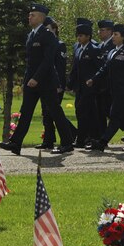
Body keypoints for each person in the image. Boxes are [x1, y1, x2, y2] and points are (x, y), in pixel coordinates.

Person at [0, 4, 75, 155]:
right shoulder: (31, 35)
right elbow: (31, 62)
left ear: (40, 17)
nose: (29, 17)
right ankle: (15, 143)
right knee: (25, 112)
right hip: (31, 82)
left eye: (32, 15)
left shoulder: (47, 35)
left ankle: (67, 143)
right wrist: (28, 79)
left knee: (55, 112)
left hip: (45, 82)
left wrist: (36, 78)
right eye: (29, 14)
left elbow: (48, 60)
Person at [86, 24, 124, 152]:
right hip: (114, 91)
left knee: (115, 116)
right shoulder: (113, 52)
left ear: (123, 37)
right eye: (113, 34)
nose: (113, 37)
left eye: (116, 34)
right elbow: (105, 68)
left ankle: (102, 142)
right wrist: (93, 79)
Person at [38, 17, 76, 150]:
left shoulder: (60, 44)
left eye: (48, 29)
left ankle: (70, 134)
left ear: (54, 29)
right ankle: (48, 140)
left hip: (55, 84)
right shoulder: (45, 44)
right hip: (44, 83)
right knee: (46, 113)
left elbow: (60, 67)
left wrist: (59, 85)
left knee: (54, 112)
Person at [67, 19, 104, 147]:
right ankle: (88, 138)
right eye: (78, 35)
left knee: (86, 113)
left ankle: (85, 139)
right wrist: (70, 84)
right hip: (80, 88)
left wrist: (93, 80)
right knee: (81, 112)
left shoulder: (94, 49)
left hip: (90, 88)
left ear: (88, 36)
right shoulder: (78, 49)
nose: (79, 38)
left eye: (81, 36)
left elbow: (101, 68)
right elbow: (74, 69)